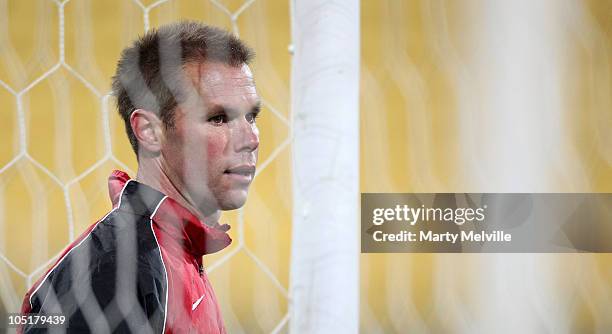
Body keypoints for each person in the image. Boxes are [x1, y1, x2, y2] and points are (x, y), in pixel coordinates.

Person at [18, 21, 260, 333]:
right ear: (149, 131)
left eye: (252, 116)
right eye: (218, 118)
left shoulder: (177, 251)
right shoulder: (114, 271)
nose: (250, 138)